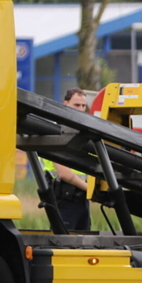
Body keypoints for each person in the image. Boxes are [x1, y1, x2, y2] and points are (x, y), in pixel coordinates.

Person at [44, 88, 91, 230]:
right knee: (63, 245)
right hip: (64, 199)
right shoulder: (57, 131)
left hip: (81, 199)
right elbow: (64, 173)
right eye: (76, 105)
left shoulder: (80, 133)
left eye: (83, 106)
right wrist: (91, 190)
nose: (81, 109)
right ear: (65, 104)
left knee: (85, 246)